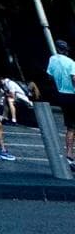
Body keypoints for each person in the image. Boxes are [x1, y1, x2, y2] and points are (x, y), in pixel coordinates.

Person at [46, 37, 75, 166]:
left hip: (61, 94)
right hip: (72, 94)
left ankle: (69, 154)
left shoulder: (52, 60)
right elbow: (74, 78)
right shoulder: (71, 62)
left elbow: (50, 75)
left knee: (71, 126)